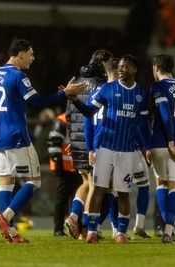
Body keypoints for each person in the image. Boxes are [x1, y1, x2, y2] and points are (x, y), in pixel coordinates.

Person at [0, 39, 87, 243]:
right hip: (16, 136)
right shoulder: (18, 75)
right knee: (34, 181)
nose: (33, 59)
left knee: (5, 185)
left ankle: (12, 233)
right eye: (31, 54)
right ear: (20, 54)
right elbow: (37, 102)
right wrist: (64, 93)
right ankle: (6, 218)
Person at [71, 55, 151, 244]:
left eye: (126, 66)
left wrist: (147, 147)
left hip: (127, 151)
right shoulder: (107, 89)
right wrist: (75, 101)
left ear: (134, 69)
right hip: (105, 147)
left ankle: (121, 233)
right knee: (99, 189)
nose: (122, 69)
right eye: (120, 66)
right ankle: (91, 230)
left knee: (124, 192)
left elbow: (142, 125)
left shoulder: (141, 94)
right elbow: (90, 112)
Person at [64, 49, 113, 239]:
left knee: (85, 182)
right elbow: (98, 115)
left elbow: (69, 112)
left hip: (76, 141)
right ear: (103, 63)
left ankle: (74, 215)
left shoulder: (76, 82)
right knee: (96, 186)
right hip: (94, 139)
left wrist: (71, 137)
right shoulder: (102, 85)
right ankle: (85, 228)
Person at [147, 53, 175, 244]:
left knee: (162, 185)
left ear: (156, 68)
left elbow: (165, 114)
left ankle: (167, 229)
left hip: (161, 143)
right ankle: (169, 230)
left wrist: (169, 141)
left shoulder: (157, 87)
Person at [48, 112, 82, 237]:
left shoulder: (65, 119)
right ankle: (58, 229)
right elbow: (53, 143)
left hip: (74, 166)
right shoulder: (62, 120)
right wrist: (58, 163)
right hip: (64, 166)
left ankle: (73, 229)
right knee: (63, 199)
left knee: (75, 199)